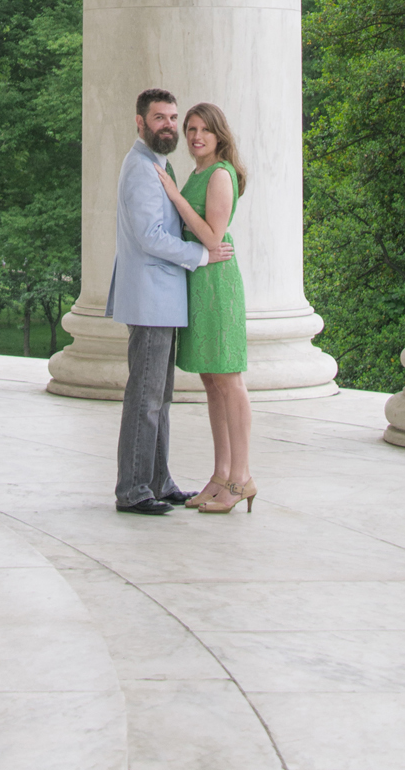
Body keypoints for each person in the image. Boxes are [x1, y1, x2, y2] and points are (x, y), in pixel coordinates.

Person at [107, 88, 235, 514]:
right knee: (144, 397)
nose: (168, 125)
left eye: (172, 118)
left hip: (164, 299)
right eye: (159, 118)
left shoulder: (160, 165)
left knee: (159, 398)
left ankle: (158, 481)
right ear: (140, 123)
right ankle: (133, 489)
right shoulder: (141, 169)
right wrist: (203, 255)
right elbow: (150, 237)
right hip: (149, 298)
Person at [156, 102, 255, 514]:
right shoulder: (198, 171)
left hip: (218, 285)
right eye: (191, 129)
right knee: (211, 383)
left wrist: (175, 198)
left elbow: (214, 239)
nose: (196, 136)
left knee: (229, 381)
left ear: (219, 135)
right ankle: (220, 475)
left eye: (204, 130)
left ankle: (242, 477)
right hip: (199, 283)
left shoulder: (218, 174)